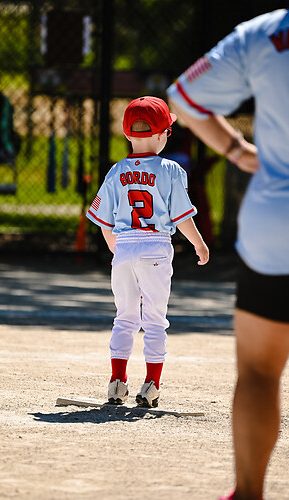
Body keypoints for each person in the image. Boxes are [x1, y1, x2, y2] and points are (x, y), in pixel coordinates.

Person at [167, 8, 289, 500]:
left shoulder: (265, 33)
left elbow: (184, 97)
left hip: (279, 225)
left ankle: (248, 494)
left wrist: (238, 149)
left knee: (260, 371)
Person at [86, 96, 209, 408]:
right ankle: (151, 384)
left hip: (124, 247)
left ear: (127, 134)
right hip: (154, 246)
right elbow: (182, 216)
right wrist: (198, 242)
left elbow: (103, 221)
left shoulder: (115, 171)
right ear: (163, 134)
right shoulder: (171, 169)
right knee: (155, 319)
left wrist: (118, 249)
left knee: (124, 317)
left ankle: (116, 382)